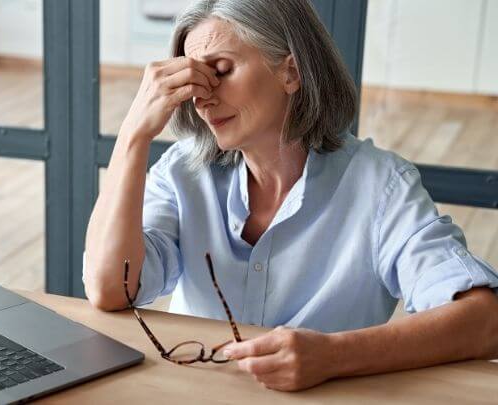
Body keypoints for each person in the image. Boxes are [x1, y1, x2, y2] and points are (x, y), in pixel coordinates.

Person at [83, 0, 498, 392]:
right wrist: (133, 135)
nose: (202, 97)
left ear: (291, 72)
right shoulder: (182, 172)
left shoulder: (380, 185)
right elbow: (110, 290)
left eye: (221, 71)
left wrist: (333, 356)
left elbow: (486, 321)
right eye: (194, 78)